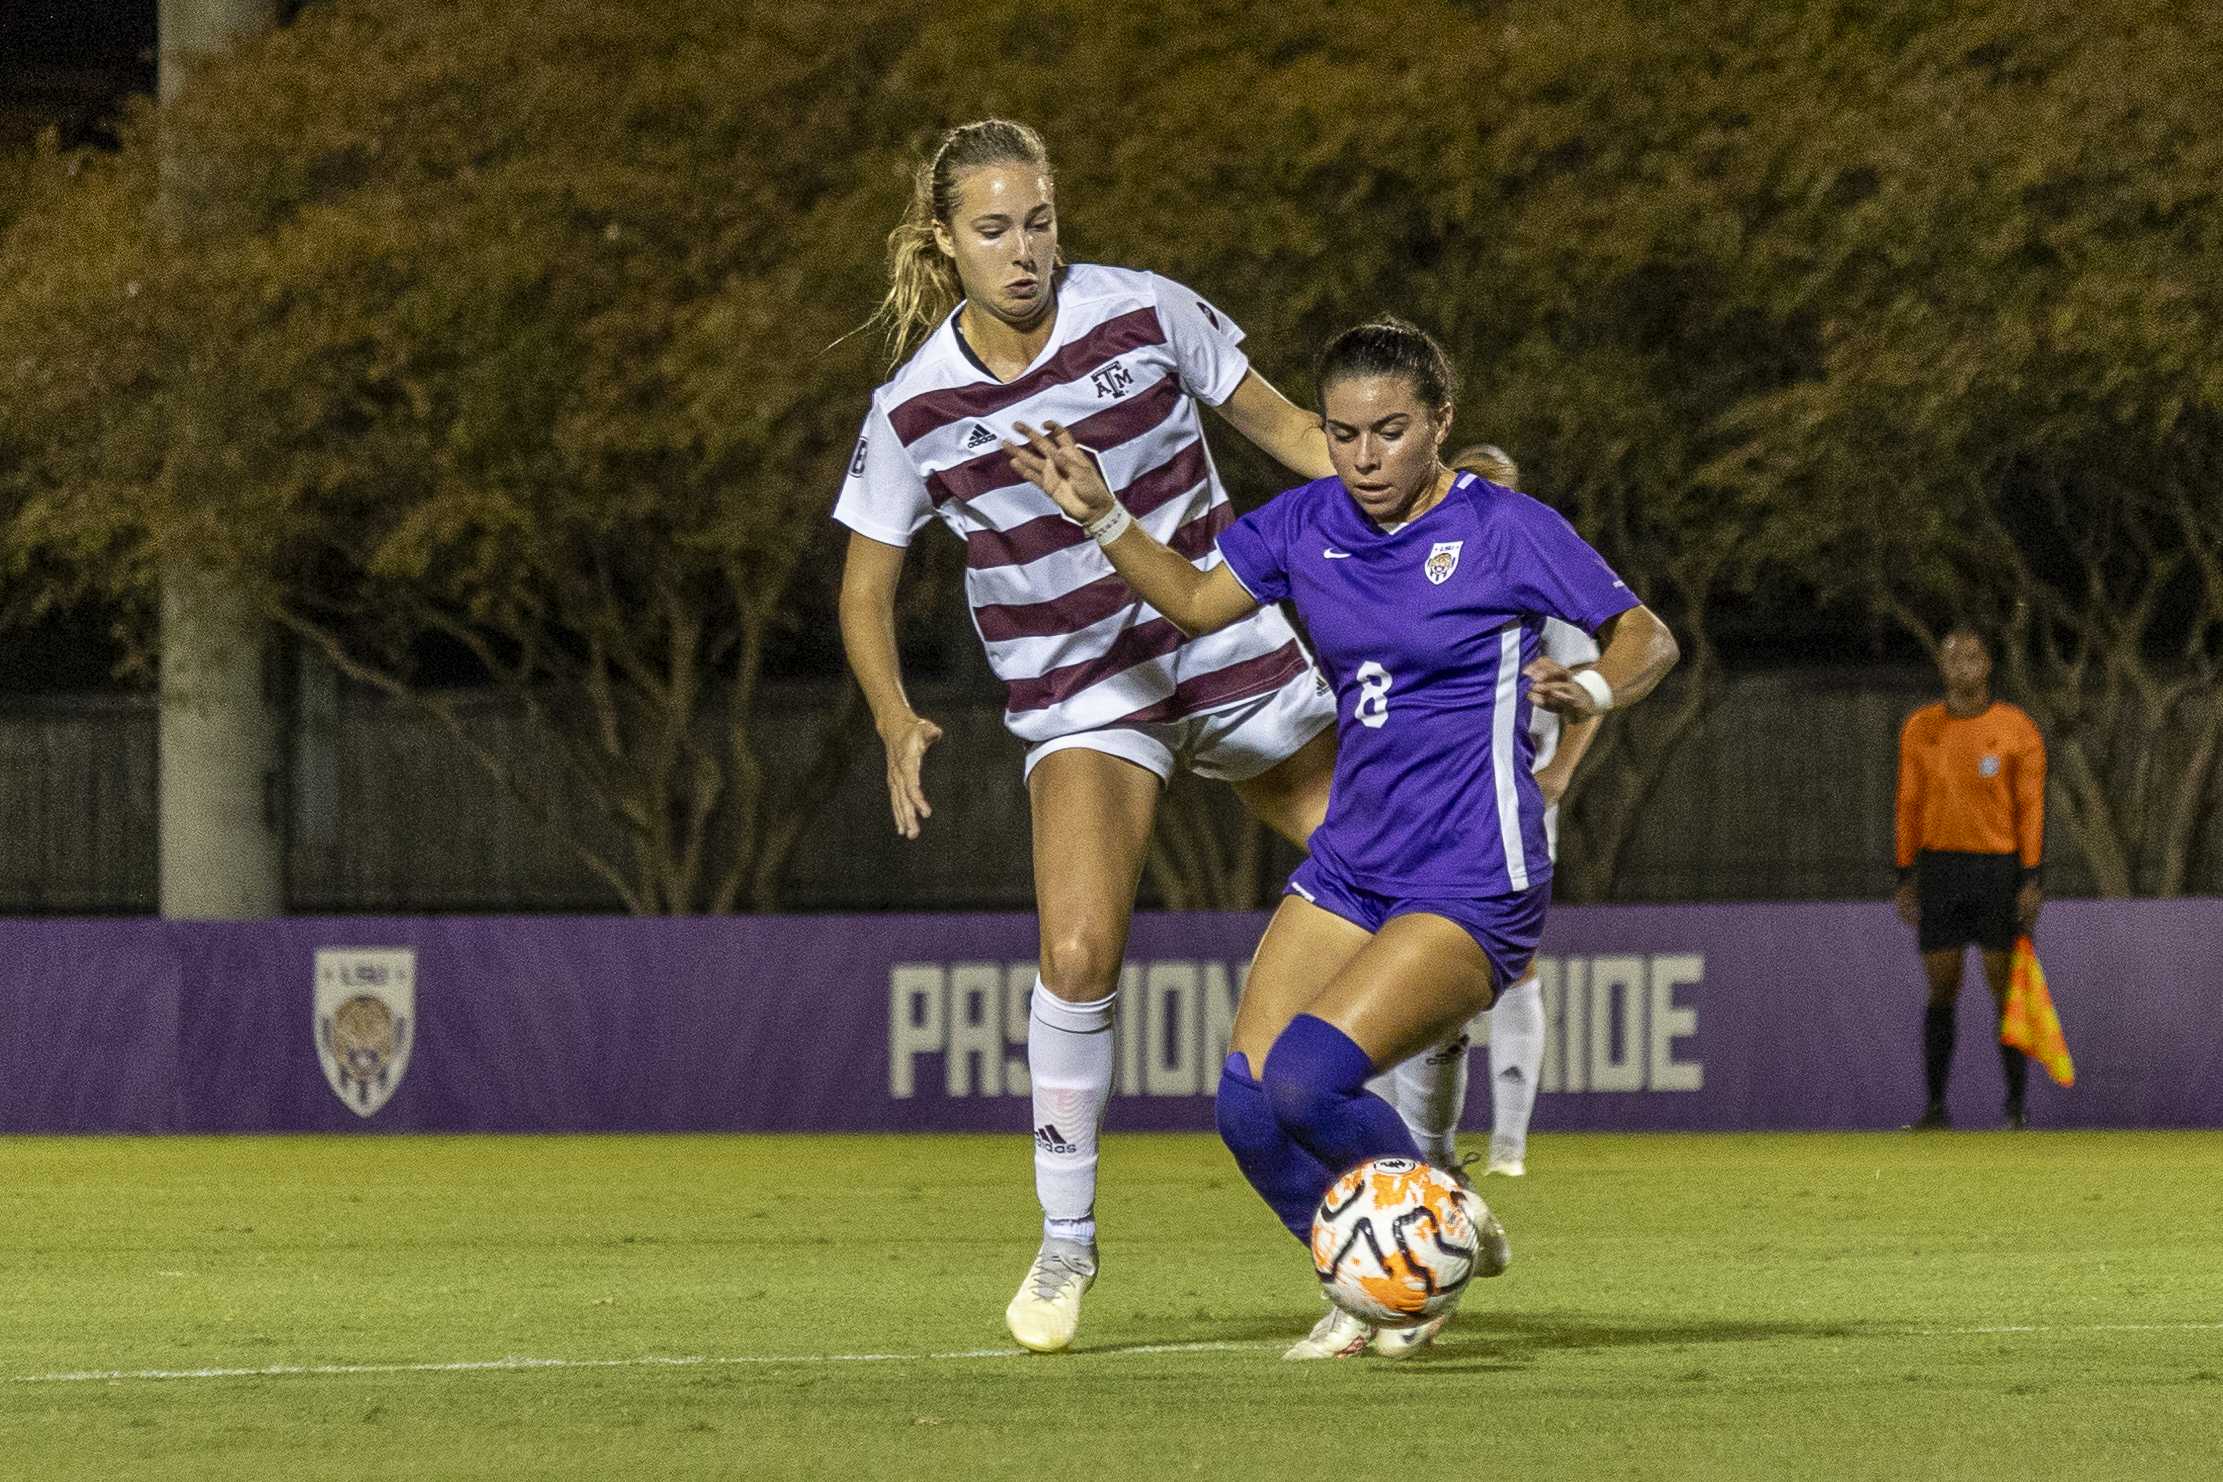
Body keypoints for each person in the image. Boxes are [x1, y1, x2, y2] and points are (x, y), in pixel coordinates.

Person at [1008, 315, 1679, 1360]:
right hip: (1354, 865)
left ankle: (1424, 1249)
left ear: (1441, 423)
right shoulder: (1306, 521)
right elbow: (1190, 601)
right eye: (1344, 432)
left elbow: (1649, 635)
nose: (1366, 457)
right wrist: (1105, 518)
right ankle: (1367, 1272)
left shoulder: (1505, 528)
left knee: (1307, 1082)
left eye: (1392, 431)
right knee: (1245, 1110)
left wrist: (1590, 683)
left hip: (1471, 877)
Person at [834, 120, 1344, 1354]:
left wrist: (1423, 511)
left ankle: (1413, 1187)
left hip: (1226, 647)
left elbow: (1292, 436)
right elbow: (864, 586)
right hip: (1084, 693)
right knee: (1074, 949)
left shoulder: (1147, 310)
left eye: (1040, 222)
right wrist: (896, 712)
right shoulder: (915, 407)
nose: (1025, 252)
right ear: (944, 243)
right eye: (995, 230)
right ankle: (1066, 1246)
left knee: (1395, 897)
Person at [1366, 444, 1603, 1193]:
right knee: (1410, 963)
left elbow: (1586, 685)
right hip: (1422, 803)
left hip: (1510, 800)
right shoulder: (1407, 573)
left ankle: (1505, 1141)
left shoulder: (1539, 578)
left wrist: (1558, 772)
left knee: (1508, 968)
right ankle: (1417, 1145)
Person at [1893, 627, 2046, 1130]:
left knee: (2003, 986)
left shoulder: (2016, 729)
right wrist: (1904, 873)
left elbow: (2030, 808)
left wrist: (2031, 876)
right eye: (1952, 656)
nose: (1963, 665)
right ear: (1942, 667)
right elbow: (1908, 803)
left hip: (1996, 870)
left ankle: (2016, 1107)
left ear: (1988, 665)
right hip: (1940, 869)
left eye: (1973, 656)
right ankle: (1936, 1107)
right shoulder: (1920, 728)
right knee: (1943, 985)